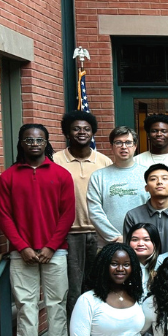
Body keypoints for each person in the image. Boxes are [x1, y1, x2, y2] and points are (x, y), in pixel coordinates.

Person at [0, 124, 75, 336]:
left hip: (56, 251)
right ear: (21, 143)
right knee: (25, 305)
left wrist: (51, 246)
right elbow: (4, 216)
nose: (34, 144)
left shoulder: (61, 175)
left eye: (39, 140)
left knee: (57, 303)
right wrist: (22, 247)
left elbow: (67, 215)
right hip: (22, 254)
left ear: (46, 143)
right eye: (28, 140)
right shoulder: (8, 176)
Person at [53, 110, 112, 317]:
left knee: (98, 284)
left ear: (93, 133)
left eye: (86, 129)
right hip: (69, 233)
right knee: (73, 288)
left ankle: (96, 331)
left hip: (100, 234)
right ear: (67, 133)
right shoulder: (55, 160)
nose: (81, 132)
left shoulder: (104, 162)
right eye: (76, 128)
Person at [88, 126, 148, 245]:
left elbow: (153, 209)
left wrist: (136, 238)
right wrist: (115, 237)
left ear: (135, 146)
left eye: (128, 143)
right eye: (118, 142)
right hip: (108, 244)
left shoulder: (148, 175)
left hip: (142, 244)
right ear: (111, 147)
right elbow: (94, 212)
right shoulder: (98, 176)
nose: (124, 147)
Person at [122, 165, 168, 254]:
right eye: (153, 179)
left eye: (165, 178)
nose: (159, 182)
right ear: (146, 188)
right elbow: (129, 250)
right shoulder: (133, 215)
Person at [128, 223, 161, 293]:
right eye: (135, 239)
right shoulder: (122, 269)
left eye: (146, 240)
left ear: (155, 243)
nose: (140, 244)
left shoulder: (162, 267)